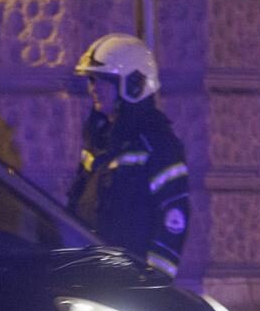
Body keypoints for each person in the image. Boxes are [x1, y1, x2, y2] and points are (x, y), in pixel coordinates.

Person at [66, 33, 190, 277]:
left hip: (129, 283)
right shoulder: (100, 140)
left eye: (103, 81)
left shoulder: (158, 144)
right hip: (92, 278)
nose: (94, 89)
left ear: (133, 84)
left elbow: (174, 218)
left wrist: (152, 282)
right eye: (91, 80)